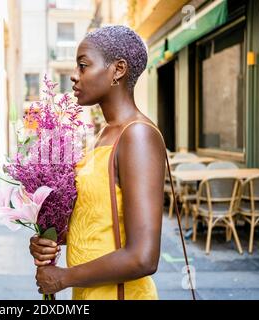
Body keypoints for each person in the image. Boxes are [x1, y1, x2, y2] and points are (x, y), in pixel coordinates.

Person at [29, 25, 166, 300]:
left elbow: (143, 257)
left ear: (118, 70)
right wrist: (52, 238)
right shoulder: (104, 134)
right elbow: (96, 219)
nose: (74, 76)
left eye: (83, 66)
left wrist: (63, 278)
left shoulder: (137, 135)